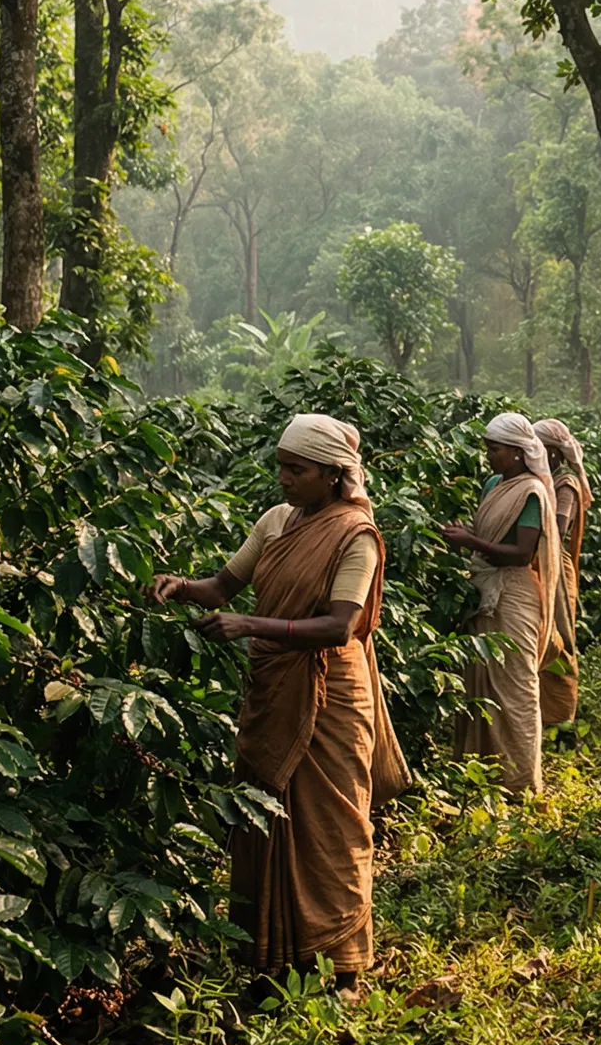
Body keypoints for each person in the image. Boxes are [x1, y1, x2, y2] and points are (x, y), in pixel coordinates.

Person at [149, 412, 409, 992]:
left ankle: (340, 967)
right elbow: (222, 587)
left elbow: (340, 626)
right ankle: (276, 961)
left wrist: (252, 627)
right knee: (268, 817)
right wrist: (179, 586)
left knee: (332, 825)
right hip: (274, 689)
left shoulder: (356, 536)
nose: (285, 480)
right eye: (282, 469)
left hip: (332, 694)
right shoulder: (275, 522)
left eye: (298, 470)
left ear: (334, 476)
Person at [442, 412, 562, 795]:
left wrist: (471, 542)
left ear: (517, 451)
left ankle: (520, 784)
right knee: (480, 686)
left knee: (514, 689)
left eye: (495, 449)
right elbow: (489, 532)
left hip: (513, 595)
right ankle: (482, 779)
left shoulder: (532, 492)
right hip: (484, 591)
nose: (489, 456)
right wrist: (469, 534)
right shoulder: (494, 483)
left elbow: (521, 553)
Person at [532, 417, 592, 729]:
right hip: (542, 561)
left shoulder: (564, 483)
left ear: (553, 452)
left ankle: (559, 714)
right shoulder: (545, 480)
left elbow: (556, 530)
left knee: (559, 636)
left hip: (556, 565)